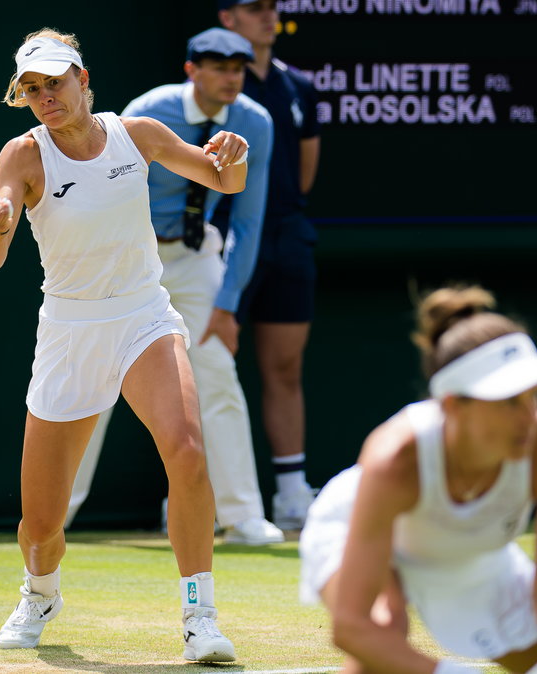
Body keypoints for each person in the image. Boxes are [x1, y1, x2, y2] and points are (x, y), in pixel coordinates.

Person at [0, 28, 252, 662]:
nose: (47, 96)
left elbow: (224, 181)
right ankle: (40, 591)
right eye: (33, 89)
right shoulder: (22, 156)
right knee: (41, 526)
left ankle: (198, 618)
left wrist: (231, 155)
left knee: (186, 452)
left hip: (142, 316)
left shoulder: (139, 135)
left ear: (83, 78)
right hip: (70, 332)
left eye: (55, 82)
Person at [298, 285, 537, 673]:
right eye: (510, 401)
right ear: (454, 405)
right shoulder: (394, 461)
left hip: (470, 553)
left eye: (535, 395)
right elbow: (351, 628)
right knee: (383, 634)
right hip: (365, 529)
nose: (529, 419)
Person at [63, 28, 283, 546]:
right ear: (192, 70)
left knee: (218, 375)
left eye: (239, 69)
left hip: (194, 255)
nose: (232, 78)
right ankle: (57, 516)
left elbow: (247, 219)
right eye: (219, 67)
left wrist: (228, 304)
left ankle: (242, 514)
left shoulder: (254, 123)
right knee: (92, 381)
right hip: (127, 257)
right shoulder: (149, 110)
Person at [218, 0, 322, 530]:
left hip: (286, 237)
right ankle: (209, 495)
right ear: (227, 18)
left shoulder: (299, 87)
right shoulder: (218, 87)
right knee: (212, 369)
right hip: (225, 242)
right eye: (253, 8)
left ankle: (290, 493)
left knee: (285, 367)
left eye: (272, 8)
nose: (267, 16)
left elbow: (304, 169)